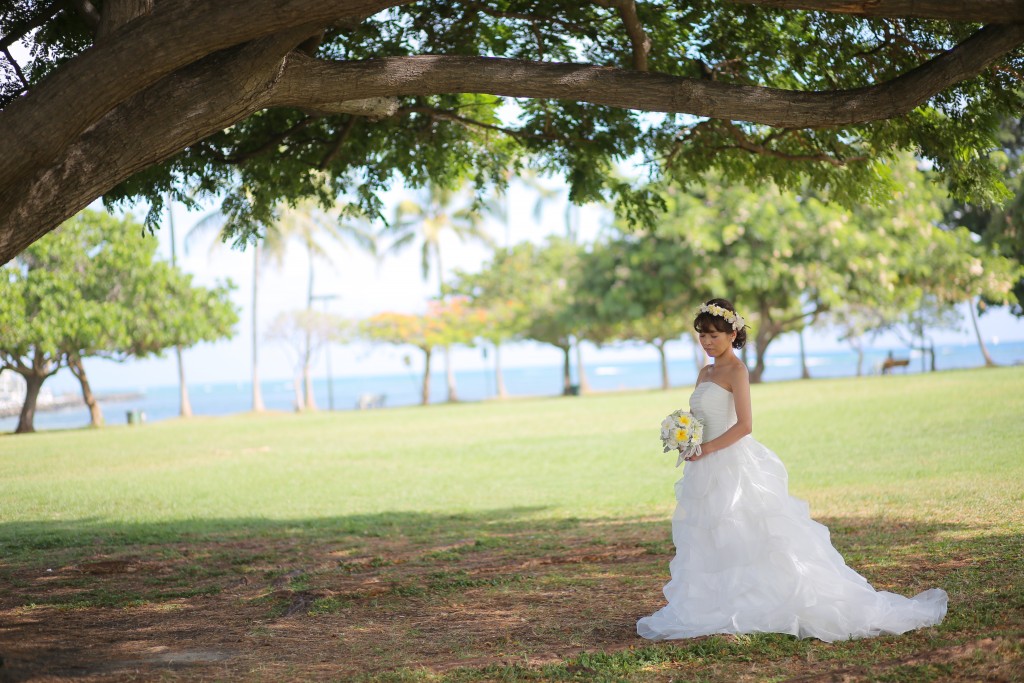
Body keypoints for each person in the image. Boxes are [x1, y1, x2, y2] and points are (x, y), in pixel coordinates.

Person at [637, 298, 947, 643]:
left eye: (713, 335)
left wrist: (706, 447)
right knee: (710, 535)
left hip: (730, 463)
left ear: (732, 333)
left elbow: (745, 425)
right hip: (702, 465)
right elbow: (702, 418)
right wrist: (685, 435)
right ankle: (716, 601)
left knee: (745, 530)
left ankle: (760, 601)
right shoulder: (704, 372)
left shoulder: (736, 371)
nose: (707, 342)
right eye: (702, 336)